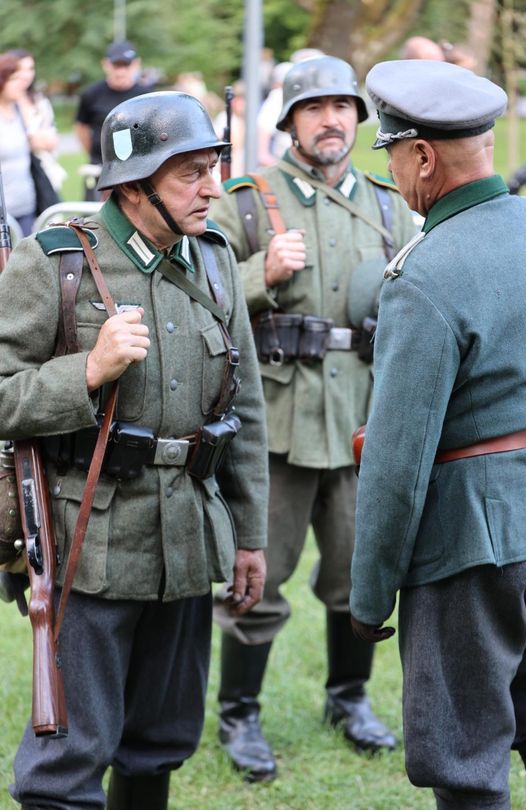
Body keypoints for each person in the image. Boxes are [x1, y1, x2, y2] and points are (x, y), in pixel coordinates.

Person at [0, 90, 268, 810]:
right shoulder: (52, 263)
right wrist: (85, 372)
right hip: (88, 547)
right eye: (190, 173)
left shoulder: (214, 264)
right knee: (66, 766)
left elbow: (242, 413)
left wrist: (248, 537)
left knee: (158, 744)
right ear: (132, 183)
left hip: (186, 543)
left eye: (213, 166)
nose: (212, 186)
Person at [210, 55, 417, 782]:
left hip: (362, 418)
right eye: (314, 108)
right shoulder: (245, 203)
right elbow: (195, 299)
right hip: (276, 420)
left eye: (343, 108)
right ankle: (239, 712)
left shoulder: (392, 205)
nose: (331, 120)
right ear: (289, 120)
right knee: (256, 579)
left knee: (359, 569)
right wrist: (255, 277)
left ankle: (348, 697)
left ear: (360, 119)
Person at [350, 59, 526, 808]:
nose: (394, 171)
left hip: (472, 546)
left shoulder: (423, 277)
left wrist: (369, 600)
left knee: (462, 756)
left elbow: (396, 467)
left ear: (422, 155)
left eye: (392, 152)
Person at [75, 41, 148, 198]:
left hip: (136, 169)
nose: (120, 72)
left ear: (136, 65)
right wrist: (96, 152)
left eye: (125, 65)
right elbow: (81, 127)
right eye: (116, 65)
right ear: (106, 65)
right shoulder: (91, 94)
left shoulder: (146, 95)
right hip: (100, 169)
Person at [8, 48, 67, 193]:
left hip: (43, 173)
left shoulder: (39, 101)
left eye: (30, 69)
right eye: (20, 69)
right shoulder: (6, 104)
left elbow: (52, 141)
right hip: (13, 179)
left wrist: (32, 140)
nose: (26, 75)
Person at [0, 52, 36, 236]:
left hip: (26, 205)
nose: (20, 84)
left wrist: (25, 105)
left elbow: (40, 141)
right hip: (4, 211)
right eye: (14, 79)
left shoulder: (20, 109)